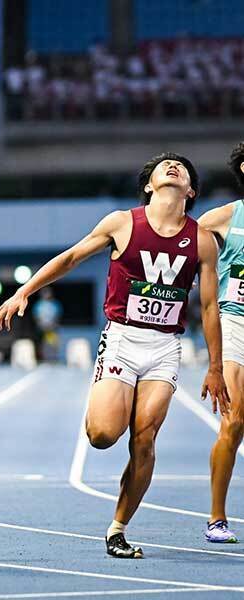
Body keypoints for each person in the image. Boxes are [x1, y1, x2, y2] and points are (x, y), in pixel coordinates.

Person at [0, 152, 228, 558]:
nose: (173, 167)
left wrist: (215, 367)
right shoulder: (122, 224)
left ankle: (117, 529)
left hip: (165, 348)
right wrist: (23, 292)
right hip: (122, 339)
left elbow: (209, 307)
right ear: (149, 186)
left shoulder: (203, 242)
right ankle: (105, 398)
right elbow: (70, 257)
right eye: (164, 166)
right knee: (102, 435)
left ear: (190, 190)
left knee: (145, 440)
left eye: (182, 168)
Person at [197, 141, 244, 543]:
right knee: (235, 420)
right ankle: (217, 518)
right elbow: (179, 239)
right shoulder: (224, 218)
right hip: (236, 325)